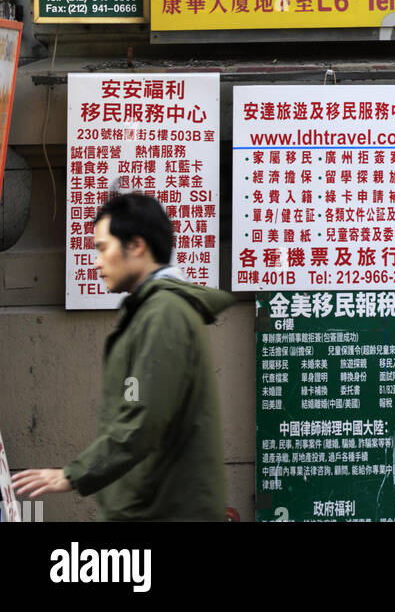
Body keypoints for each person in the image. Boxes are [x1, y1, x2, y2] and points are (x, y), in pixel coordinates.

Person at [12, 192, 235, 522]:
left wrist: (72, 474)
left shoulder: (164, 314)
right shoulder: (151, 311)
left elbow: (143, 419)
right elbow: (140, 406)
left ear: (136, 246)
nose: (96, 261)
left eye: (103, 248)